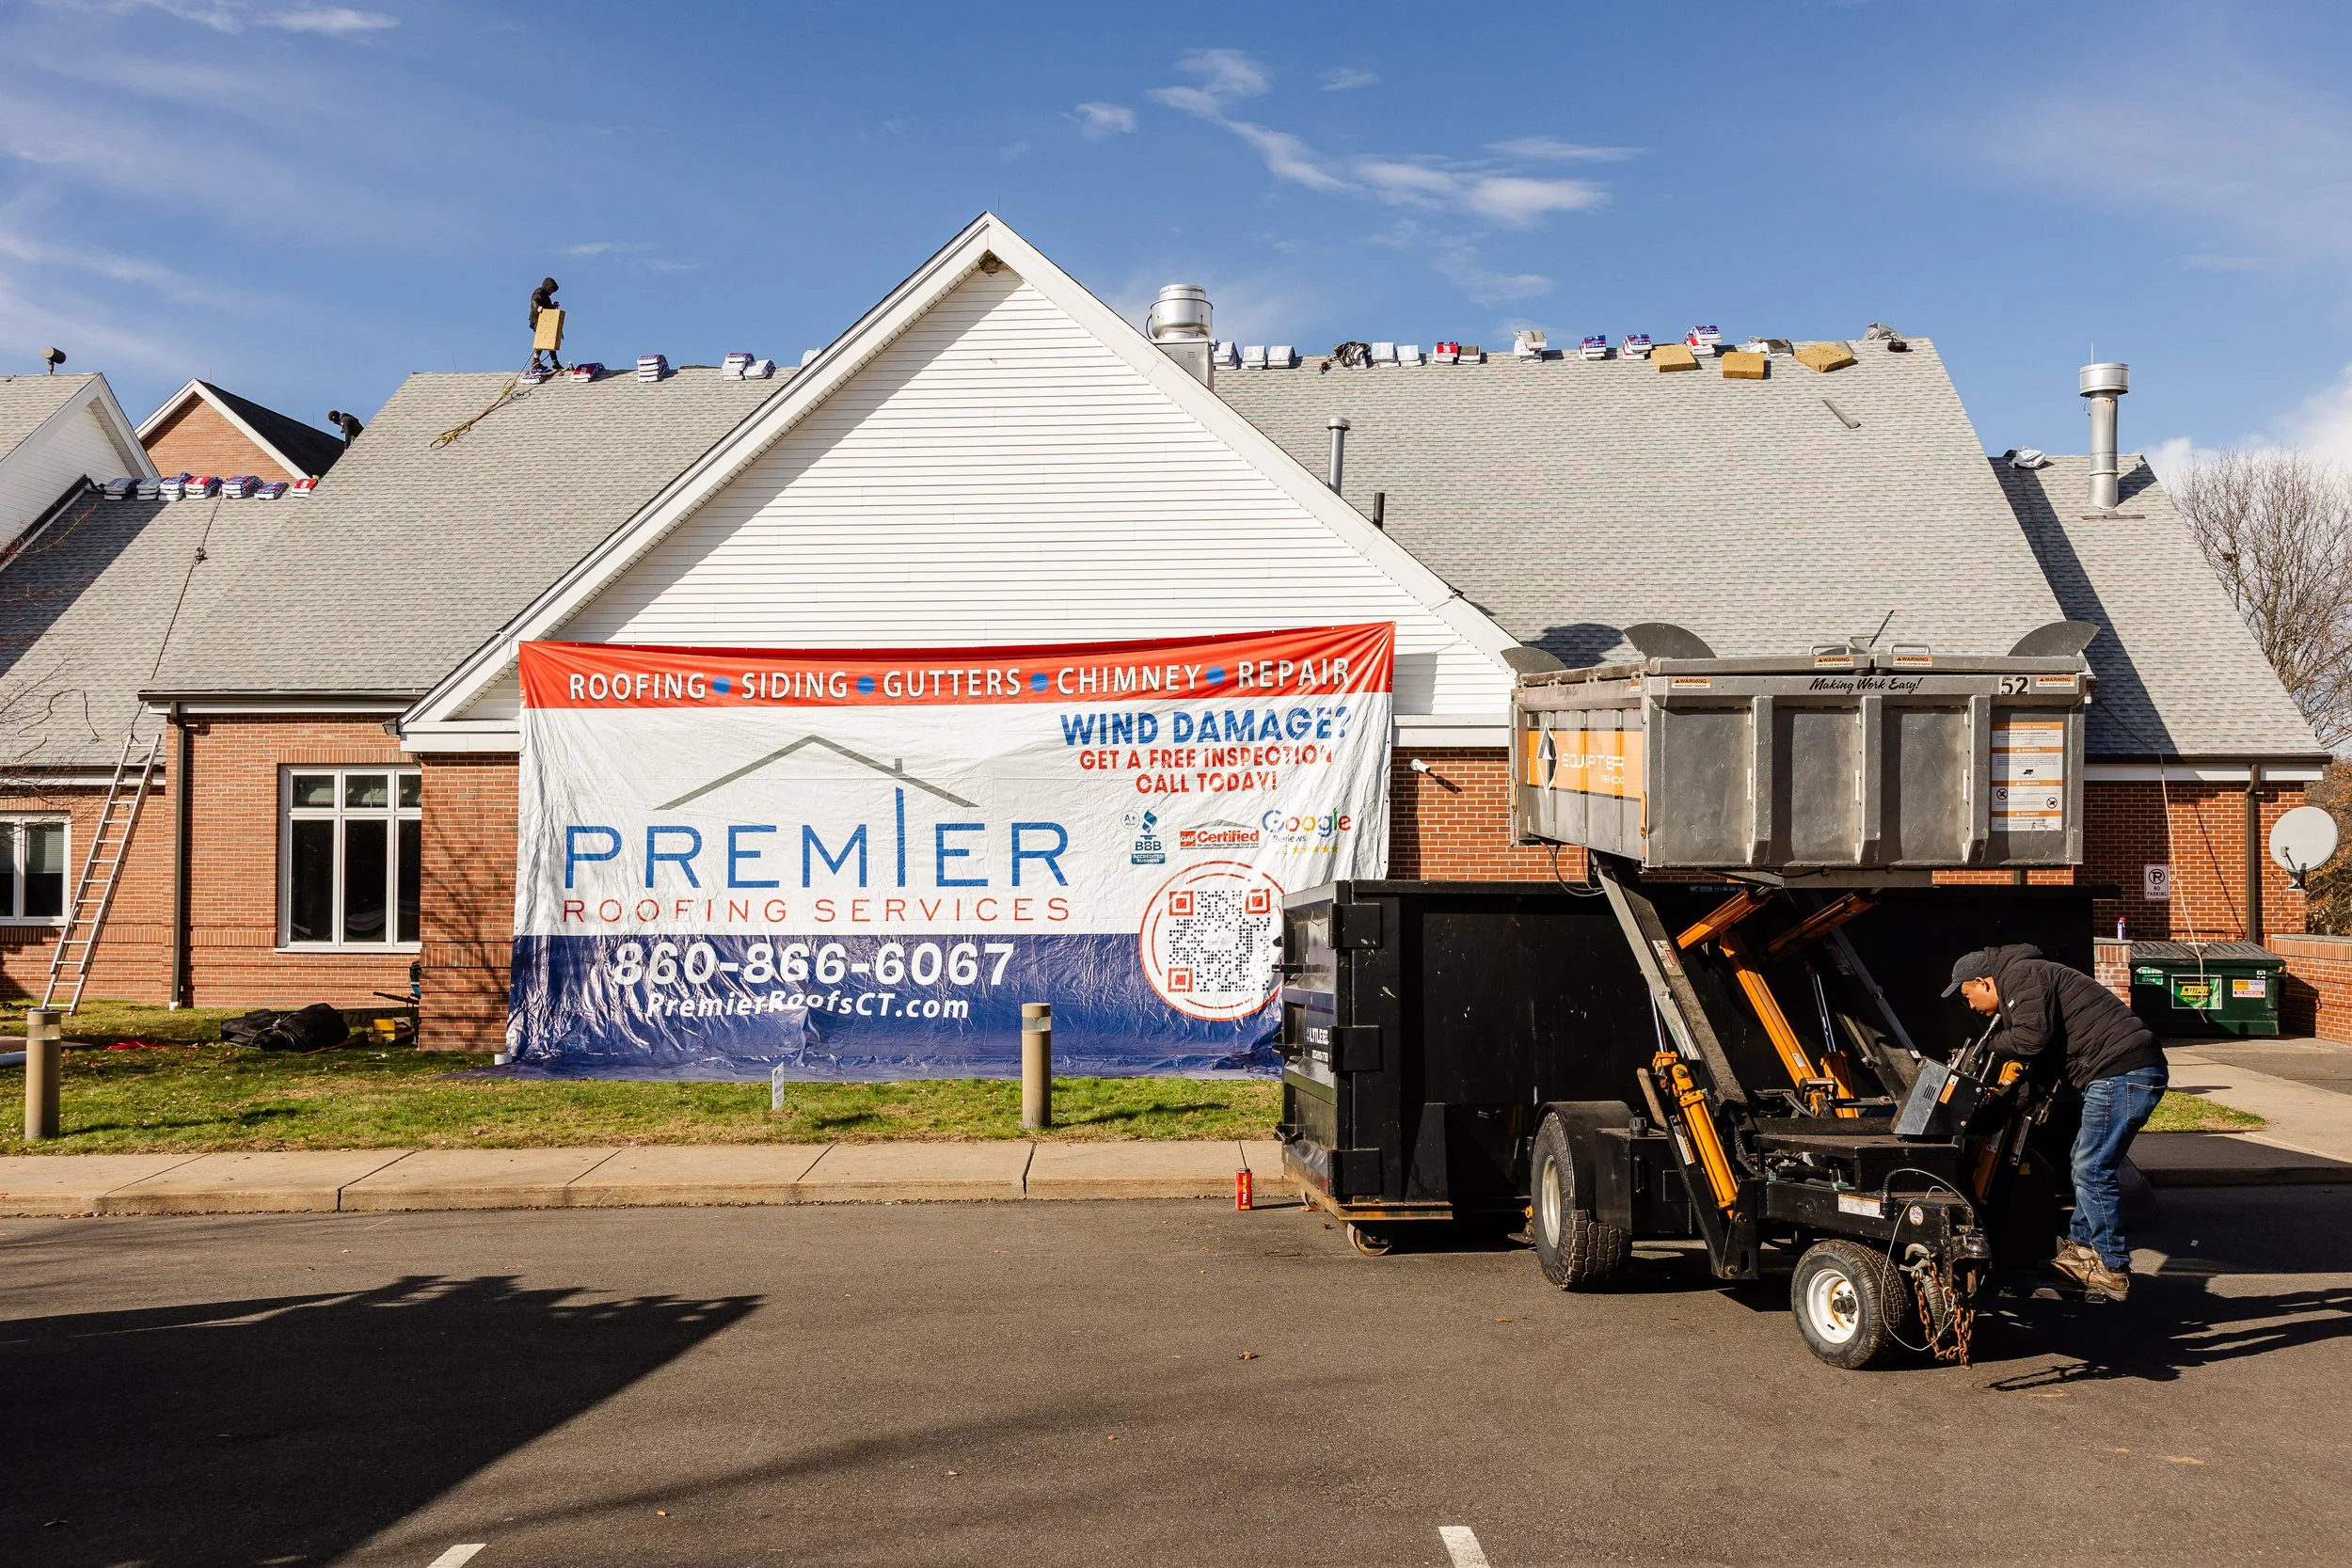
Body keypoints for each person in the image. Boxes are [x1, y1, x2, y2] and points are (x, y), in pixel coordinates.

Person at [1946, 944, 2169, 1299]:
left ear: (1983, 982)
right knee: (2084, 1157)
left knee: (2092, 1166)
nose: (1969, 1004)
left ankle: (2110, 1266)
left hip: (2122, 1071)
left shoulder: (2021, 975)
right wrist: (1997, 1112)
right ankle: (2081, 1250)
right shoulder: (2029, 980)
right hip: (2123, 1072)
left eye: (1966, 994)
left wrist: (1989, 1047)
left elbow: (2031, 1040)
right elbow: (2041, 1069)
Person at [530, 277, 563, 373]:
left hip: (545, 320)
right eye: (551, 289)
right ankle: (536, 361)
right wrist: (538, 307)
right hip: (537, 320)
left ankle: (554, 361)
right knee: (544, 338)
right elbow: (534, 301)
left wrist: (553, 306)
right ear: (547, 286)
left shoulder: (546, 297)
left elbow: (547, 309)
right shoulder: (539, 292)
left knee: (550, 338)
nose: (552, 292)